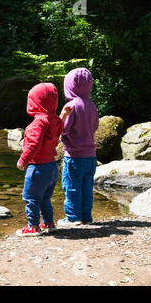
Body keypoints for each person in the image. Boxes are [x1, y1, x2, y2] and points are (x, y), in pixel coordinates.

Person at [16, 83, 72, 237]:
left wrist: (22, 161)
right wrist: (63, 116)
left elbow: (33, 145)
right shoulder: (53, 120)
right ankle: (49, 223)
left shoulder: (37, 123)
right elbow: (58, 127)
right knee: (45, 198)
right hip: (52, 168)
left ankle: (33, 227)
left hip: (38, 168)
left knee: (32, 198)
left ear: (34, 102)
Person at [57, 68, 99, 227]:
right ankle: (86, 217)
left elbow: (63, 129)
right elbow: (94, 127)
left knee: (72, 186)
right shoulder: (92, 106)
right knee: (87, 187)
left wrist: (61, 120)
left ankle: (73, 217)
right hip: (91, 156)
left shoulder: (70, 106)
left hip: (74, 156)